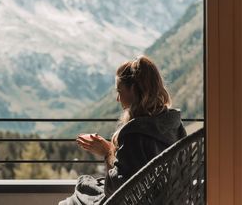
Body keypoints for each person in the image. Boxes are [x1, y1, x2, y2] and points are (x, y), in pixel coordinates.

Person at [58, 55, 187, 205]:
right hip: (166, 200)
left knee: (75, 197)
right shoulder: (174, 124)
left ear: (133, 89)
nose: (118, 99)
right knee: (85, 186)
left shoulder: (135, 133)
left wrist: (108, 153)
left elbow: (116, 190)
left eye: (119, 91)